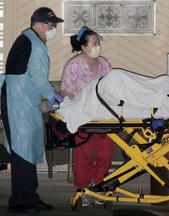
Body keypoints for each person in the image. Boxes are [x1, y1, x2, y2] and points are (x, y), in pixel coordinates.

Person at [0, 7, 64, 214]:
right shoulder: (35, 45)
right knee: (22, 152)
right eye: (50, 24)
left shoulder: (29, 40)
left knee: (27, 149)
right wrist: (53, 94)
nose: (53, 29)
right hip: (18, 103)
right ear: (38, 24)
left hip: (23, 101)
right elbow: (38, 78)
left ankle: (30, 197)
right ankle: (19, 202)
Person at [60, 26, 115, 207]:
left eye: (98, 43)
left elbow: (114, 87)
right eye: (94, 43)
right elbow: (66, 91)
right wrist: (77, 108)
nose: (98, 46)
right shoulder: (74, 65)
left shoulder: (104, 63)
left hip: (104, 115)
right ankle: (83, 189)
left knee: (106, 153)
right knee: (83, 154)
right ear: (84, 47)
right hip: (83, 116)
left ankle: (97, 185)